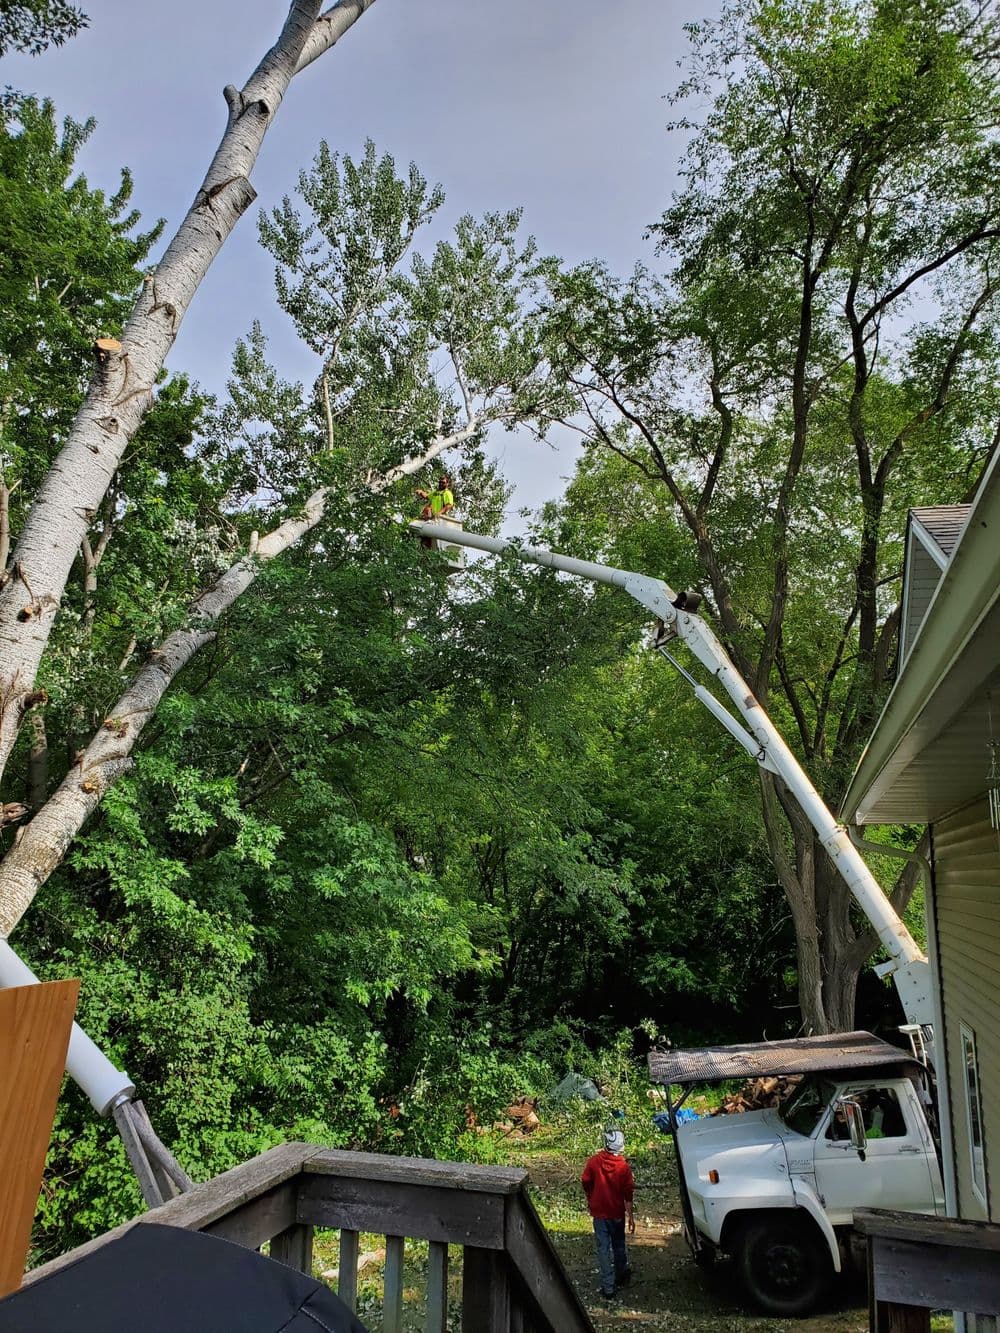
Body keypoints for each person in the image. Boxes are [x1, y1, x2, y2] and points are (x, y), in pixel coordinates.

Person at [581, 1128, 635, 1300]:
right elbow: (628, 1194)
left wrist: (591, 1196)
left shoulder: (593, 1162)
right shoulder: (623, 1168)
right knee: (618, 1245)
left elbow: (585, 1181)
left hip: (599, 1214)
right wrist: (631, 1217)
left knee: (603, 1249)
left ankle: (608, 1287)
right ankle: (621, 1275)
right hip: (617, 1214)